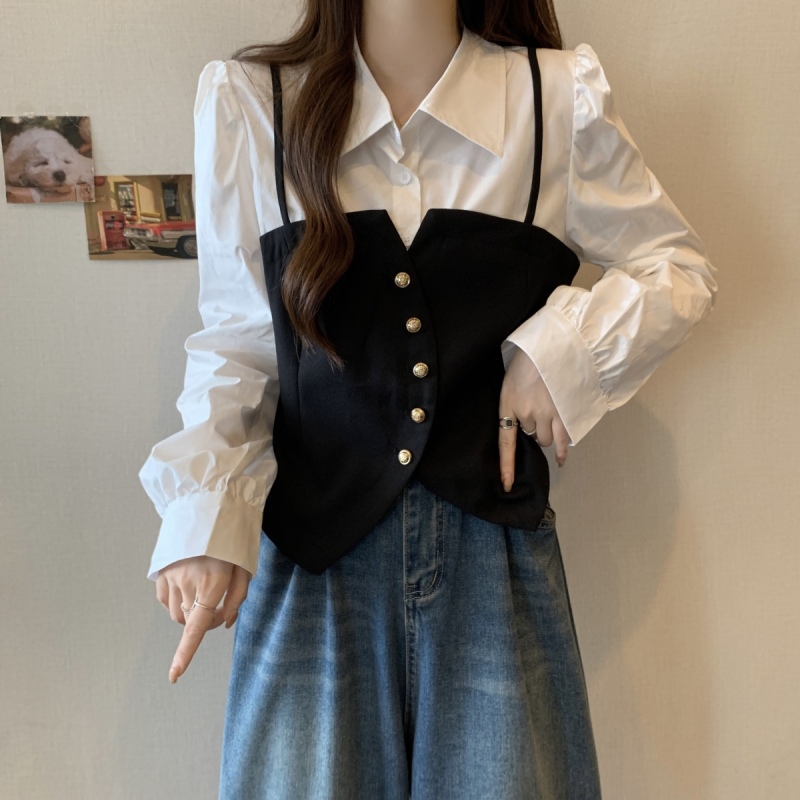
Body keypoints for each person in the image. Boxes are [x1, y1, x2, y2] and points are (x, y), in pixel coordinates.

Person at [139, 1, 718, 797]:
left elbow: (676, 269)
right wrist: (207, 514)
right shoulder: (256, 104)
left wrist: (555, 353)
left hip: (494, 559)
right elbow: (240, 340)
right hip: (314, 558)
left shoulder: (555, 100)